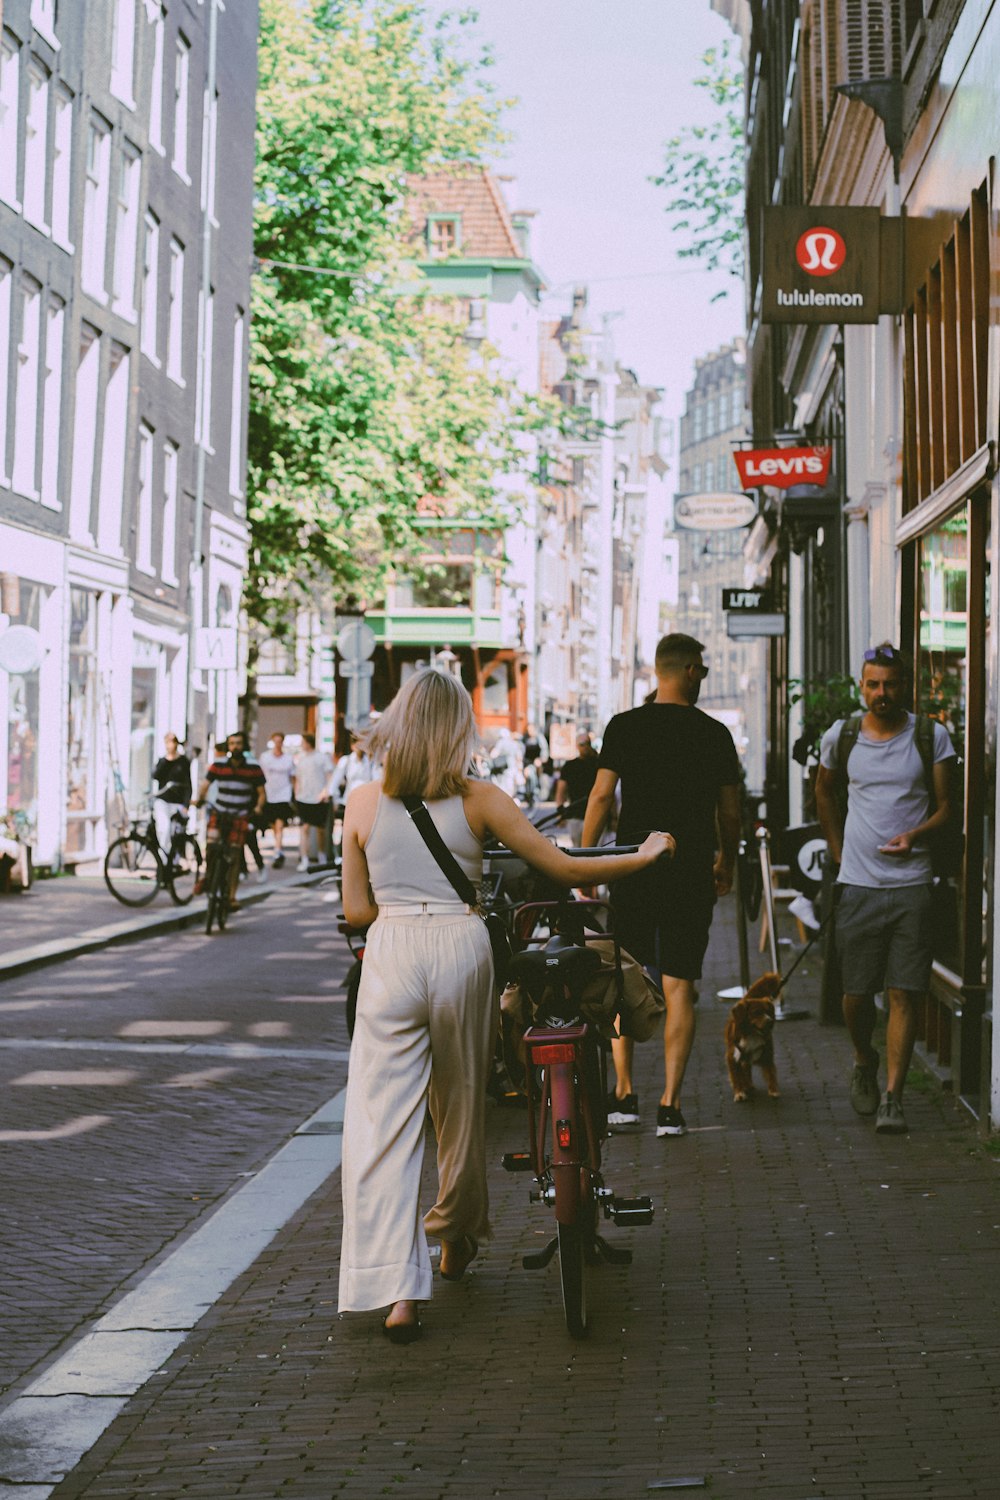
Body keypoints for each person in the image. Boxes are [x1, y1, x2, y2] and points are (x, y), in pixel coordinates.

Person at [338, 667, 675, 1343]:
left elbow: (354, 910)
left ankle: (398, 1293)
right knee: (459, 1108)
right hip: (461, 947)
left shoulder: (362, 801)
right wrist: (643, 856)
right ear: (458, 728)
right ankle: (455, 1237)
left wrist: (396, 909)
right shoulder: (481, 800)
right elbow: (565, 870)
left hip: (393, 946)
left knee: (381, 1125)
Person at [581, 633, 741, 1137]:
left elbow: (603, 797)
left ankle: (624, 1094)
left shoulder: (624, 727)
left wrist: (587, 862)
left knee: (625, 980)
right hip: (689, 871)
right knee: (679, 986)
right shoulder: (714, 734)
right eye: (704, 671)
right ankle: (670, 1104)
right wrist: (726, 861)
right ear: (691, 670)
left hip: (632, 867)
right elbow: (730, 812)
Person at [815, 643, 954, 1135]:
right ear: (861, 686)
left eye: (890, 684)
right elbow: (823, 789)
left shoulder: (930, 736)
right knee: (856, 994)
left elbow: (946, 807)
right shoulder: (844, 735)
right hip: (858, 884)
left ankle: (893, 1097)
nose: (882, 693)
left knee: (904, 993)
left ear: (904, 686)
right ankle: (862, 1056)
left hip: (912, 885)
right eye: (873, 684)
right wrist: (835, 849)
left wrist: (916, 835)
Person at [193, 734, 266, 908]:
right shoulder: (218, 765)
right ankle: (208, 876)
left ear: (244, 746)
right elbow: (205, 785)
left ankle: (232, 896)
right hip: (219, 813)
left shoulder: (254, 768)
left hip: (240, 814)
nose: (235, 747)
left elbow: (262, 793)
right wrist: (200, 799)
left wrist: (258, 808)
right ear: (228, 746)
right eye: (232, 744)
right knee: (210, 847)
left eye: (238, 744)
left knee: (234, 856)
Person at [294, 732, 334, 871]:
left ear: (308, 743)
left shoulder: (321, 757)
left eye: (303, 742)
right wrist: (296, 793)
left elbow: (330, 775)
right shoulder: (300, 758)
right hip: (303, 798)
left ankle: (321, 855)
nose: (301, 745)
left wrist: (327, 792)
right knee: (304, 828)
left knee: (320, 829)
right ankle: (304, 858)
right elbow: (298, 778)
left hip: (318, 797)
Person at [554, 732, 600, 843]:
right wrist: (561, 812)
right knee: (579, 851)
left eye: (588, 743)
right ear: (577, 746)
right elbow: (561, 791)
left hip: (596, 814)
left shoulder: (598, 763)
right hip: (576, 815)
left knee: (597, 852)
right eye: (582, 744)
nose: (585, 747)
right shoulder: (570, 766)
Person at [151, 733, 192, 858]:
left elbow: (188, 784)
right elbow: (156, 776)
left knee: (176, 832)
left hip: (178, 801)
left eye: (171, 742)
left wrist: (186, 804)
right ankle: (163, 860)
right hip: (163, 800)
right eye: (166, 743)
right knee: (164, 828)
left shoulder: (183, 761)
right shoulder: (162, 760)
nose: (169, 746)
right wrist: (166, 760)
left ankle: (174, 860)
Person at [259, 731, 296, 869]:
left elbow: (293, 777)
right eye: (276, 741)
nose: (278, 744)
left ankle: (277, 850)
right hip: (270, 793)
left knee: (280, 824)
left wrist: (294, 793)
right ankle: (278, 846)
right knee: (274, 825)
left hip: (283, 794)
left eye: (280, 741)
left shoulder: (288, 758)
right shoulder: (265, 757)